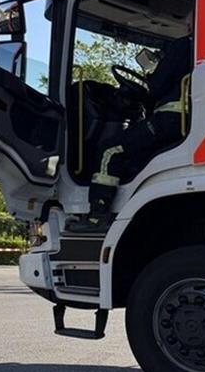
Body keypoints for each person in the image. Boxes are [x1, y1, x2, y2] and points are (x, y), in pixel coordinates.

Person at [72, 35, 192, 232]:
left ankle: (97, 216)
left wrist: (152, 76)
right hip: (180, 121)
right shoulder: (202, 47)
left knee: (110, 150)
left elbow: (157, 87)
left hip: (168, 120)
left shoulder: (182, 45)